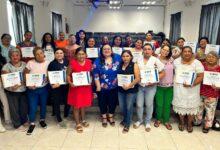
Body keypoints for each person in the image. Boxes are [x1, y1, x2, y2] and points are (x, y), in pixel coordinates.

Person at [133, 43, 165, 132]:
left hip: (151, 87)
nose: (147, 51)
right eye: (145, 49)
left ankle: (147, 122)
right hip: (140, 86)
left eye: (149, 49)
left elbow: (163, 73)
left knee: (149, 104)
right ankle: (139, 120)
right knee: (139, 104)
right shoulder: (138, 60)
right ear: (143, 50)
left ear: (152, 51)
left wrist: (154, 80)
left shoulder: (155, 60)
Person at [172, 46, 204, 133]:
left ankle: (189, 123)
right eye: (185, 51)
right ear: (181, 53)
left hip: (192, 89)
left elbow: (201, 76)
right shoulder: (176, 62)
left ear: (192, 53)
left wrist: (192, 84)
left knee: (191, 107)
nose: (187, 53)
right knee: (180, 105)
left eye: (189, 51)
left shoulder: (197, 63)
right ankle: (182, 122)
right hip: (179, 88)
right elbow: (173, 72)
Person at [93, 44, 121, 127]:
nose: (106, 50)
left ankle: (111, 116)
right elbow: (95, 74)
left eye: (108, 49)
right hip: (102, 86)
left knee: (113, 102)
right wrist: (98, 85)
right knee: (102, 102)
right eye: (104, 49)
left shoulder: (118, 58)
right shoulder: (97, 61)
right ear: (101, 51)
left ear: (111, 50)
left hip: (115, 86)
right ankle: (104, 117)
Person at [67, 47, 93, 133]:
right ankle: (78, 123)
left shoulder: (89, 62)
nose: (81, 56)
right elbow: (67, 75)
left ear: (86, 55)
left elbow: (91, 74)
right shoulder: (72, 63)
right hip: (76, 88)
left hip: (85, 88)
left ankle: (83, 120)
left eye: (83, 54)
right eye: (79, 54)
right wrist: (70, 83)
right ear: (76, 55)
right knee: (76, 106)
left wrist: (91, 80)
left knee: (83, 105)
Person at [24, 47, 49, 135]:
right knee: (33, 106)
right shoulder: (30, 63)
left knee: (43, 105)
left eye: (41, 53)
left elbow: (49, 75)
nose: (39, 55)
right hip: (32, 89)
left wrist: (47, 79)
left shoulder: (47, 62)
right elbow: (25, 74)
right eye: (37, 54)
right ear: (34, 55)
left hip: (43, 88)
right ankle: (32, 123)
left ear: (43, 54)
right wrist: (28, 85)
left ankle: (42, 120)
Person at [1, 48, 28, 131]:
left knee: (23, 107)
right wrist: (11, 86)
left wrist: (22, 83)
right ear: (10, 56)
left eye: (17, 55)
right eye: (13, 56)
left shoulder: (24, 64)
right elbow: (4, 80)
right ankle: (17, 125)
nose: (15, 57)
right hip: (12, 91)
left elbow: (26, 76)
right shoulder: (6, 66)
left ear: (20, 56)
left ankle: (24, 121)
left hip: (23, 89)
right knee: (14, 108)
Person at [194, 51, 220, 133]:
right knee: (199, 108)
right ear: (206, 58)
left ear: (217, 59)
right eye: (209, 57)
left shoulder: (219, 68)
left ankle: (207, 125)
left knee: (210, 111)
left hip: (212, 94)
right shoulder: (202, 66)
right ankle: (197, 121)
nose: (211, 59)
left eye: (213, 57)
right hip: (200, 91)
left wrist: (218, 87)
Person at [118, 50, 140, 133]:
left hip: (131, 90)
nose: (125, 58)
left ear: (131, 57)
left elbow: (138, 79)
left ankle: (127, 124)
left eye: (127, 56)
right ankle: (125, 119)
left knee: (129, 107)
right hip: (121, 89)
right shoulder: (120, 65)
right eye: (123, 56)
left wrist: (129, 86)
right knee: (122, 106)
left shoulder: (135, 65)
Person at [48, 48, 69, 128]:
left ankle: (66, 115)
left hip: (66, 86)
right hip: (56, 86)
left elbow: (70, 72)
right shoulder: (52, 64)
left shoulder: (67, 62)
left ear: (63, 54)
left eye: (61, 53)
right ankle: (59, 119)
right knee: (56, 102)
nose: (59, 54)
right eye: (57, 53)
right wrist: (52, 85)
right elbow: (49, 76)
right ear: (54, 54)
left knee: (67, 101)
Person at [154, 45, 174, 130]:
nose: (165, 52)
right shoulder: (155, 59)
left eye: (167, 50)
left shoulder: (171, 60)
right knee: (159, 104)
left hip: (170, 86)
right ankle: (158, 119)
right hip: (159, 86)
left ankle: (166, 120)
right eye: (164, 49)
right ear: (160, 50)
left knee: (167, 105)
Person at [0, 46, 11, 129]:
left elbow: (5, 71)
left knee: (5, 102)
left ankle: (7, 120)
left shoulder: (2, 59)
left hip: (1, 82)